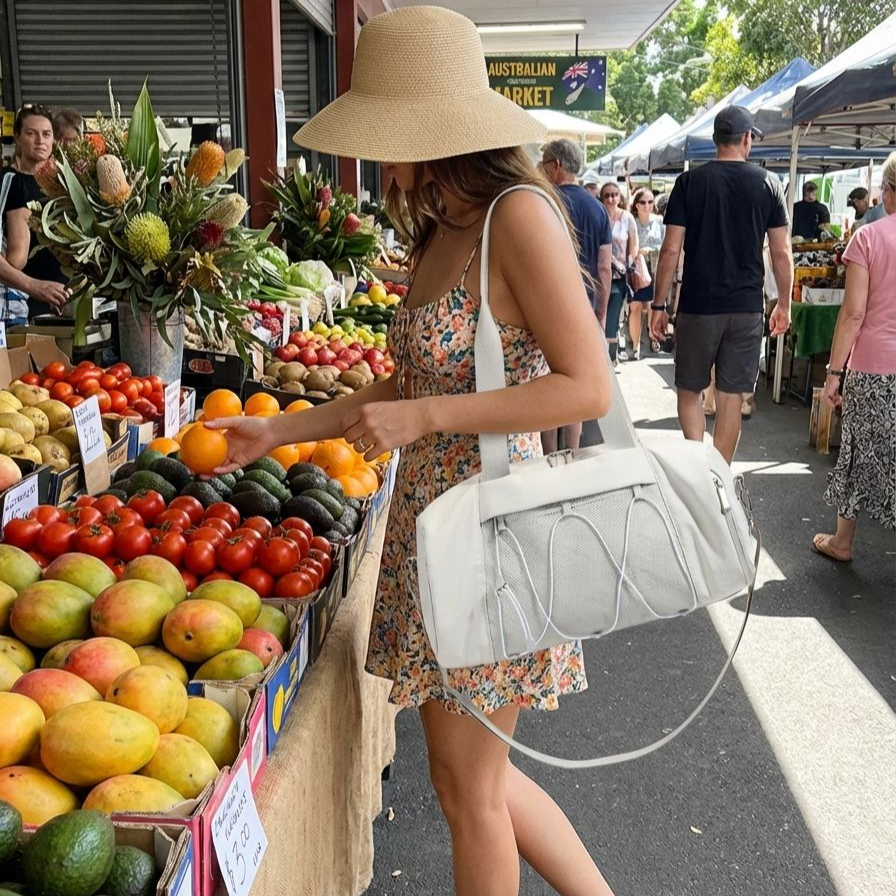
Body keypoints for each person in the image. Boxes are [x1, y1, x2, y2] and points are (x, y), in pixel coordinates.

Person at [207, 8, 616, 896]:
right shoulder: (444, 229)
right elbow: (406, 384)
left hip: (494, 535)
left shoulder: (518, 218)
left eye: (388, 135)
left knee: (468, 791)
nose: (380, 160)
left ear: (433, 133)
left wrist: (429, 416)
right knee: (478, 781)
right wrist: (277, 430)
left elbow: (588, 386)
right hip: (439, 531)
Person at [650, 105, 792, 464]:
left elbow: (670, 250)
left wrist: (658, 304)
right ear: (747, 139)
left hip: (698, 305)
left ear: (715, 140)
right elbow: (782, 253)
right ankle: (720, 476)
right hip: (746, 307)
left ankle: (699, 467)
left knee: (689, 389)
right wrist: (785, 304)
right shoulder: (767, 183)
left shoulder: (689, 183)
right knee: (731, 397)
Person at [813, 151, 896, 561]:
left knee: (859, 448)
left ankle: (843, 541)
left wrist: (833, 373)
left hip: (873, 365)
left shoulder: (868, 238)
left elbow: (853, 313)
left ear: (887, 192)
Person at [539, 139, 613, 452]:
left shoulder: (542, 203)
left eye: (544, 164)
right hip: (584, 308)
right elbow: (605, 267)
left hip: (543, 309)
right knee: (574, 381)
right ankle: (572, 450)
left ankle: (548, 454)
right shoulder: (598, 208)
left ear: (555, 165)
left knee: (544, 381)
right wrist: (601, 311)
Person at [0, 104, 69, 320]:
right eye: (31, 133)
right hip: (16, 310)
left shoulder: (65, 186)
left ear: (54, 140)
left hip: (60, 306)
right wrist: (32, 285)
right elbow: (15, 259)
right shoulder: (6, 182)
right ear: (18, 137)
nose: (40, 141)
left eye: (46, 134)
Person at [600, 181, 638, 364]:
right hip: (600, 272)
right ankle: (603, 353)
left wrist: (629, 263)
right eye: (607, 195)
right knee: (601, 311)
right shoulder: (599, 215)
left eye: (614, 194)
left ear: (619, 197)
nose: (611, 198)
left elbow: (634, 243)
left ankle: (611, 354)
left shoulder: (627, 218)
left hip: (620, 274)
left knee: (614, 311)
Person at [629, 187, 664, 359]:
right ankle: (635, 346)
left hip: (655, 268)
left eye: (650, 201)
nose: (647, 205)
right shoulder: (631, 221)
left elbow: (667, 245)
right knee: (635, 307)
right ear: (636, 204)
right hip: (636, 270)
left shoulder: (659, 221)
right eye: (643, 202)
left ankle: (653, 335)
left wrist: (651, 249)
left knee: (652, 306)